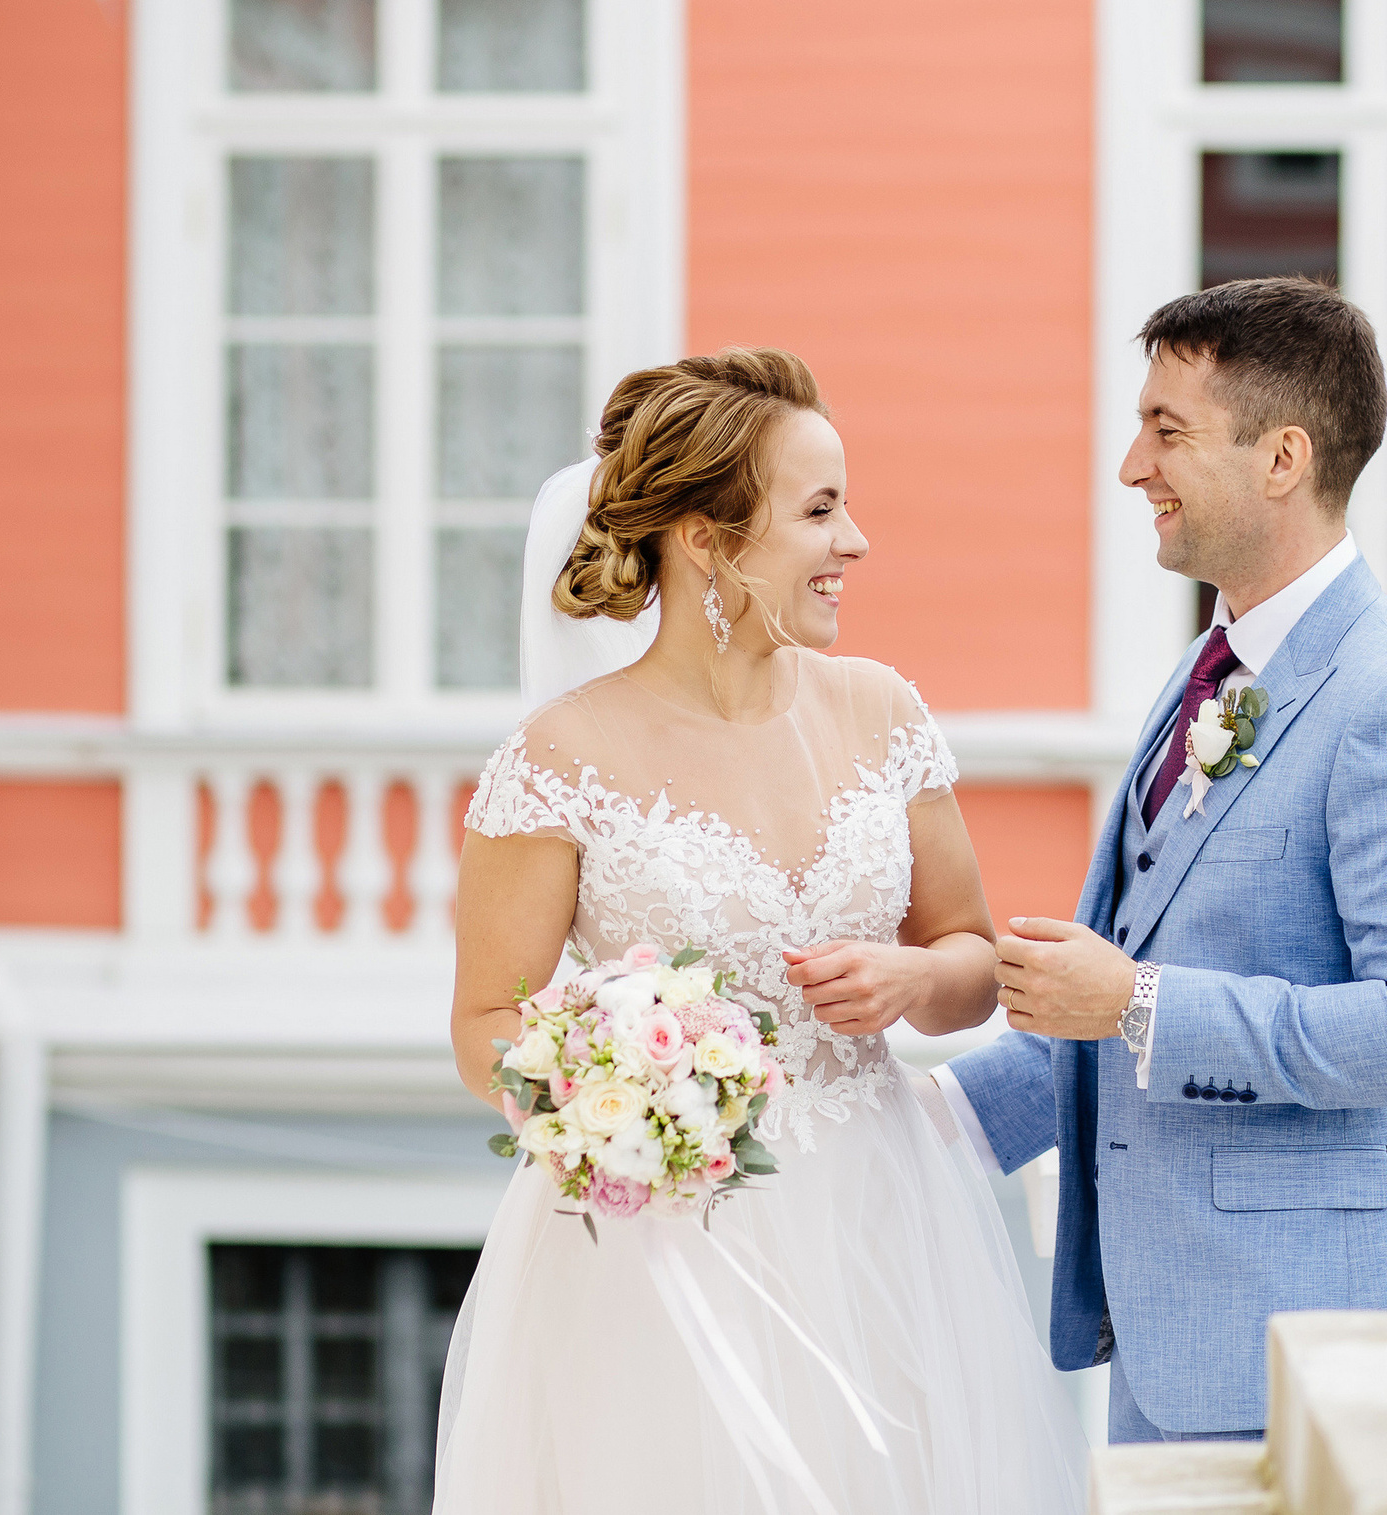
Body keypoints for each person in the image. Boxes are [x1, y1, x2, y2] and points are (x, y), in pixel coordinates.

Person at [437, 347, 1087, 1515]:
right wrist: (619, 1094)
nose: (857, 543)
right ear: (709, 543)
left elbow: (973, 961)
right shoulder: (559, 761)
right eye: (821, 511)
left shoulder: (884, 713)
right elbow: (487, 1024)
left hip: (884, 1220)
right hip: (661, 1253)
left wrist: (910, 979)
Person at [937, 277, 1387, 1443]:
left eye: (1166, 431)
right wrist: (925, 1128)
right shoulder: (1214, 664)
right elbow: (1136, 977)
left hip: (1301, 1359)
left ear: (1282, 458)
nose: (1129, 467)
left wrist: (1138, 1000)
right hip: (1168, 1341)